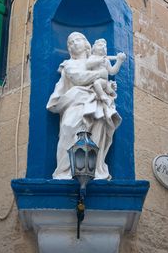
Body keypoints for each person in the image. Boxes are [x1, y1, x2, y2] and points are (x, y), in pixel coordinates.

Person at [46, 32, 122, 180]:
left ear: (87, 44)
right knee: (69, 128)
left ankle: (94, 169)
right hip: (75, 101)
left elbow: (107, 76)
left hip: (95, 101)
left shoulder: (97, 61)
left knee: (97, 129)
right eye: (70, 43)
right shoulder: (68, 64)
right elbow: (79, 78)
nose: (74, 43)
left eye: (77, 40)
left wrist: (109, 86)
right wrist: (101, 74)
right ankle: (64, 170)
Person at [86, 39, 126, 104]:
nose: (102, 47)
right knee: (96, 83)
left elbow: (112, 72)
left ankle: (105, 93)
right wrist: (99, 60)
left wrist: (119, 61)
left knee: (104, 86)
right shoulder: (92, 57)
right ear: (94, 47)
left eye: (104, 46)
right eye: (100, 45)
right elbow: (88, 64)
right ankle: (102, 96)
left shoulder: (106, 60)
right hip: (94, 80)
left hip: (104, 81)